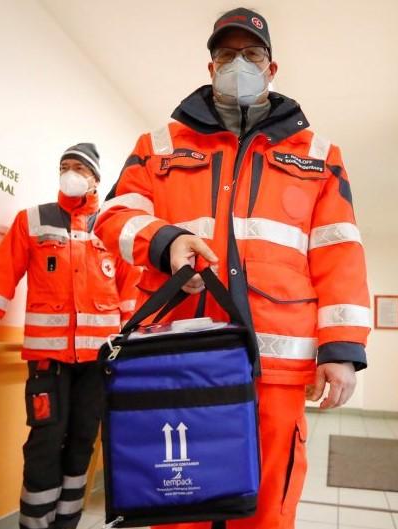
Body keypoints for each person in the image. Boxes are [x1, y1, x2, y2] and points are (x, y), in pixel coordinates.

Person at [95, 7, 371, 529]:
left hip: (277, 370)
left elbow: (339, 251)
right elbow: (111, 216)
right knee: (180, 503)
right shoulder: (158, 147)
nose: (238, 64)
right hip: (179, 359)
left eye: (251, 54)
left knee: (267, 509)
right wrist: (165, 241)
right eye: (226, 55)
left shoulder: (319, 155)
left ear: (271, 68)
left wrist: (342, 349)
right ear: (210, 66)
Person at [0, 143, 139, 529]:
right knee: (45, 441)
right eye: (65, 166)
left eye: (80, 168)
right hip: (48, 362)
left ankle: (66, 522)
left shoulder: (111, 228)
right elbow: (2, 276)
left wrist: (135, 348)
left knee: (83, 439)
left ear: (95, 179)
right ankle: (34, 524)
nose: (71, 173)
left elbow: (130, 291)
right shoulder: (31, 221)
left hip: (99, 362)